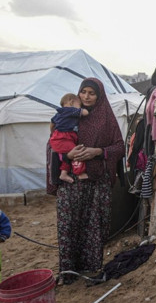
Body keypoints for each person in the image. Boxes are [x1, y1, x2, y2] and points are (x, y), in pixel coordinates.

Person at [47, 78, 125, 285]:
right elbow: (52, 144)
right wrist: (67, 154)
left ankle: (92, 268)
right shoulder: (68, 114)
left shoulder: (106, 118)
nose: (87, 97)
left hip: (96, 181)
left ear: (99, 96)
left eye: (92, 93)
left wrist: (98, 152)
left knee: (94, 226)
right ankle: (68, 272)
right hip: (70, 183)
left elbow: (119, 147)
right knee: (68, 226)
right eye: (84, 92)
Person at [49, 93, 90, 183]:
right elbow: (85, 113)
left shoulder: (59, 113)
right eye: (79, 105)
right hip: (64, 138)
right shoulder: (70, 110)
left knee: (67, 155)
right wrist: (83, 109)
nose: (80, 107)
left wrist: (52, 133)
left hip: (57, 138)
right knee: (77, 153)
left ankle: (64, 173)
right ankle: (80, 173)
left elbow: (52, 123)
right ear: (72, 102)